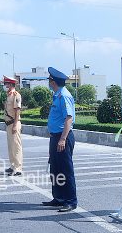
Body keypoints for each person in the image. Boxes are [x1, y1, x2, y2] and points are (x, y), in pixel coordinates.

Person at [42, 67, 77, 212]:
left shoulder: (64, 95)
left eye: (49, 80)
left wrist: (62, 139)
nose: (49, 82)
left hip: (63, 137)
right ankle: (59, 198)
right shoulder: (57, 95)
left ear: (53, 82)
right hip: (55, 137)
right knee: (55, 170)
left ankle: (70, 201)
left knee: (65, 170)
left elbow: (68, 118)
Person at [2, 75, 23, 176]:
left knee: (16, 146)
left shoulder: (16, 95)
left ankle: (18, 168)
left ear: (10, 84)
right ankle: (13, 165)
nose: (5, 85)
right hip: (9, 124)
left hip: (14, 123)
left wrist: (15, 125)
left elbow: (17, 110)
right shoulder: (9, 95)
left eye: (6, 83)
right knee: (11, 146)